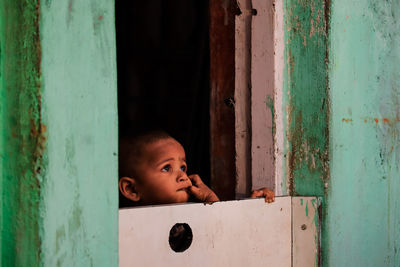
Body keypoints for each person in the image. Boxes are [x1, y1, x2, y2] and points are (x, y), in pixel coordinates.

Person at [119, 131, 274, 207]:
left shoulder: (189, 214)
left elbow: (220, 233)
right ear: (131, 189)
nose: (182, 177)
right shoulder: (128, 229)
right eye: (166, 168)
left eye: (183, 167)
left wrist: (254, 208)